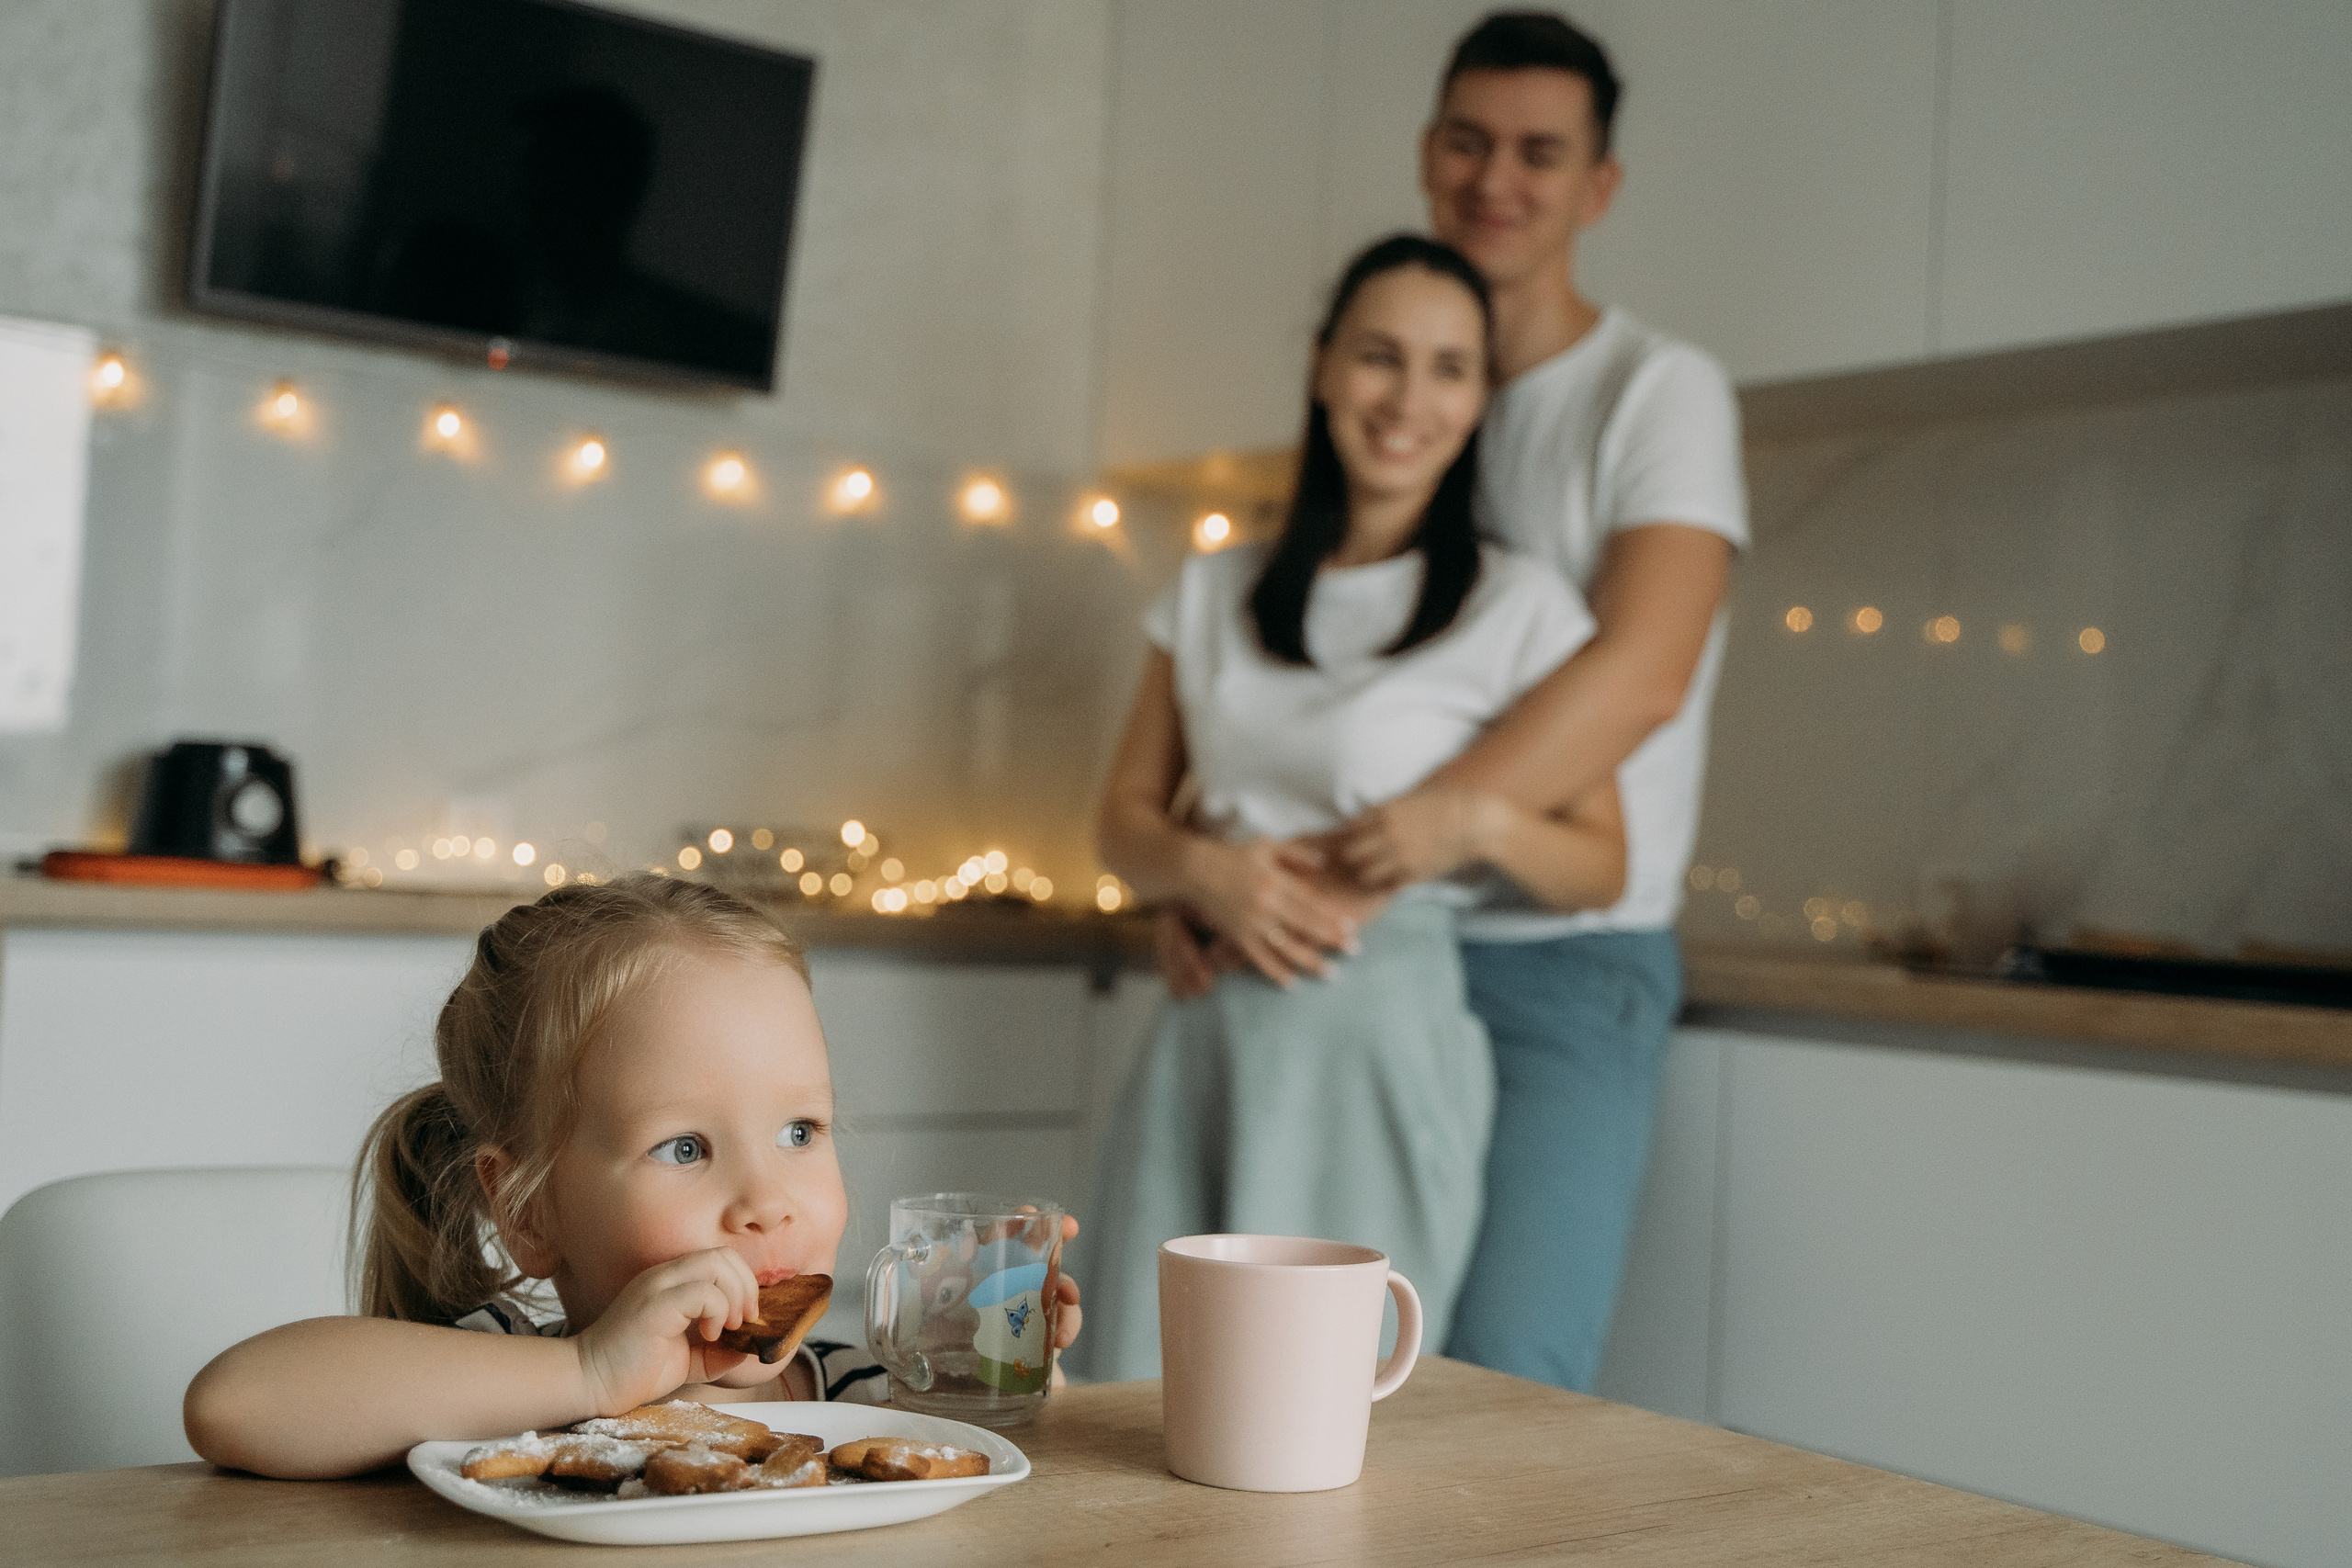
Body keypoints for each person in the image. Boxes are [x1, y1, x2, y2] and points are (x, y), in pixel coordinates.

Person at [1159, 11, 1748, 1395]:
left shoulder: (1656, 396)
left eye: (1541, 153)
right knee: (1309, 1385)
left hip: (1561, 950)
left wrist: (1416, 831)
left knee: (1500, 1378)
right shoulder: (1412, 383)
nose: (1499, 178)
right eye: (1470, 141)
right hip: (1355, 958)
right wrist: (1208, 871)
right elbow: (1317, 693)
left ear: (1599, 186)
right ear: (1428, 154)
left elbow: (1643, 669)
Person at [1075, 235, 1630, 1382]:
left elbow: (1601, 866)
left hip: (1382, 1050)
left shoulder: (1519, 607)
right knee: (1144, 1390)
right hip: (1207, 1041)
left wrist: (1473, 823)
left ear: (1481, 399)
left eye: (1448, 368)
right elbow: (1122, 820)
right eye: (1380, 357)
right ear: (1324, 366)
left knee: (1337, 1403)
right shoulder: (1215, 589)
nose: (1407, 399)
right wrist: (1203, 874)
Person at [183, 875, 1085, 1478]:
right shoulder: (508, 1376)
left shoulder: (857, 1393)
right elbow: (236, 1405)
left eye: (799, 1130)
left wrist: (999, 1360)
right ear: (529, 1212)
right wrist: (587, 1372)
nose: (768, 1202)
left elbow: (1012, 1484)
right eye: (685, 1148)